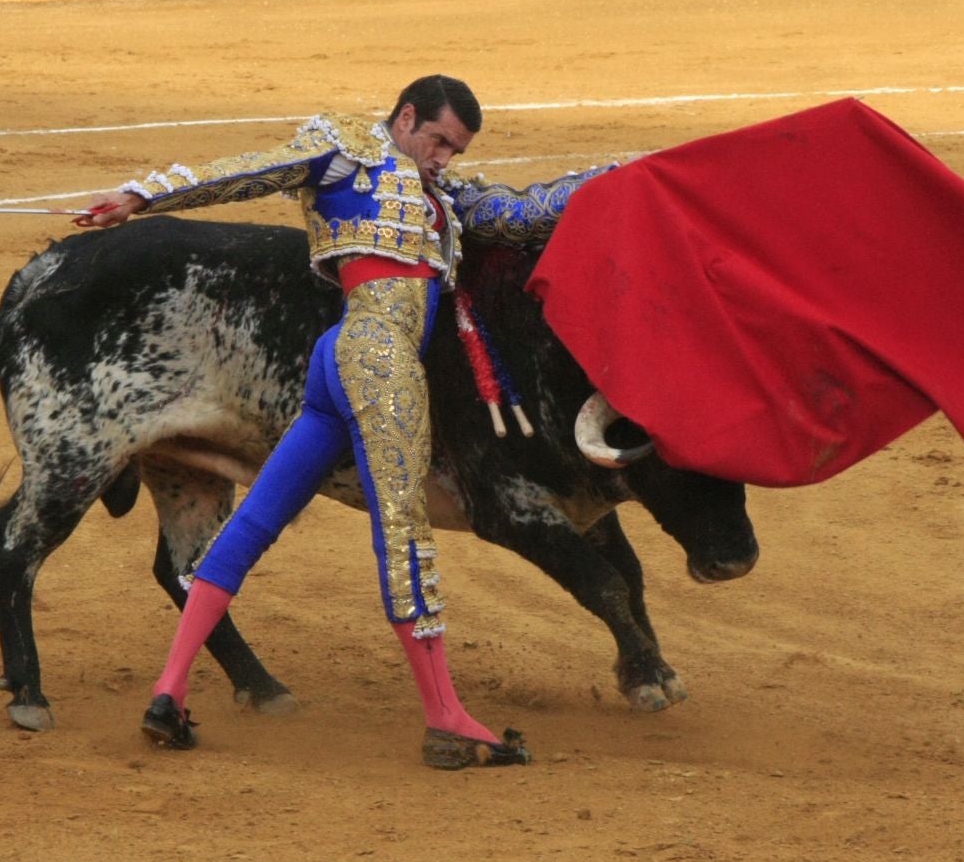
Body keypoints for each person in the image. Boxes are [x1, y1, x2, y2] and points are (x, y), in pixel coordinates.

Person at [76, 75, 606, 768]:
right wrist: (143, 195)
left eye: (458, 147)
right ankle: (445, 716)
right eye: (439, 139)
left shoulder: (446, 198)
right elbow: (247, 172)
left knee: (256, 520)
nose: (445, 156)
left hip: (337, 362)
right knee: (403, 532)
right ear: (408, 117)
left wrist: (620, 180)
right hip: (378, 355)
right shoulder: (344, 148)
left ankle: (169, 692)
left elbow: (524, 210)